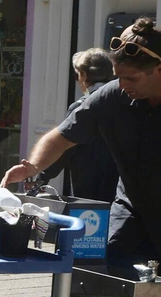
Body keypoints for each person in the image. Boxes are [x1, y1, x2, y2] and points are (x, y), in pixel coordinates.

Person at [2, 19, 161, 297]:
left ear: (158, 71)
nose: (121, 84)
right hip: (134, 213)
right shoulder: (111, 97)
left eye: (131, 77)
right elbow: (61, 135)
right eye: (118, 76)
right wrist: (31, 165)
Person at [38, 47, 120, 202]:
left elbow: (63, 147)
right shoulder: (123, 102)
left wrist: (40, 179)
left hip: (89, 189)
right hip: (119, 190)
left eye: (77, 75)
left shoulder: (82, 107)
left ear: (83, 76)